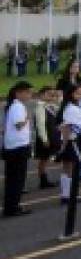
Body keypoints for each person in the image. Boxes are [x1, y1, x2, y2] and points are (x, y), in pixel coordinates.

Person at [3, 81, 34, 217]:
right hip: (18, 147)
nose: (29, 94)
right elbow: (18, 124)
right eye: (27, 92)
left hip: (14, 146)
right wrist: (27, 118)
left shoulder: (15, 105)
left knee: (13, 179)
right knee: (17, 179)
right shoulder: (17, 106)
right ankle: (12, 208)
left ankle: (11, 206)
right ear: (18, 93)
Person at [57, 82, 81, 206]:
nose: (80, 95)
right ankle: (69, 195)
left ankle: (66, 194)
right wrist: (63, 146)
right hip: (72, 141)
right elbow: (67, 128)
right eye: (77, 93)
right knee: (70, 168)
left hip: (71, 140)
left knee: (67, 168)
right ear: (70, 94)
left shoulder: (70, 107)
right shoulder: (71, 108)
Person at [32, 86, 60, 189]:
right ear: (42, 95)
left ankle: (44, 180)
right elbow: (41, 125)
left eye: (52, 94)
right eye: (49, 94)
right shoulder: (41, 108)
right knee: (43, 160)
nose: (51, 96)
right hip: (45, 138)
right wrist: (44, 139)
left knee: (45, 159)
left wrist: (58, 98)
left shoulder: (49, 106)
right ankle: (43, 181)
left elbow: (60, 109)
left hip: (51, 136)